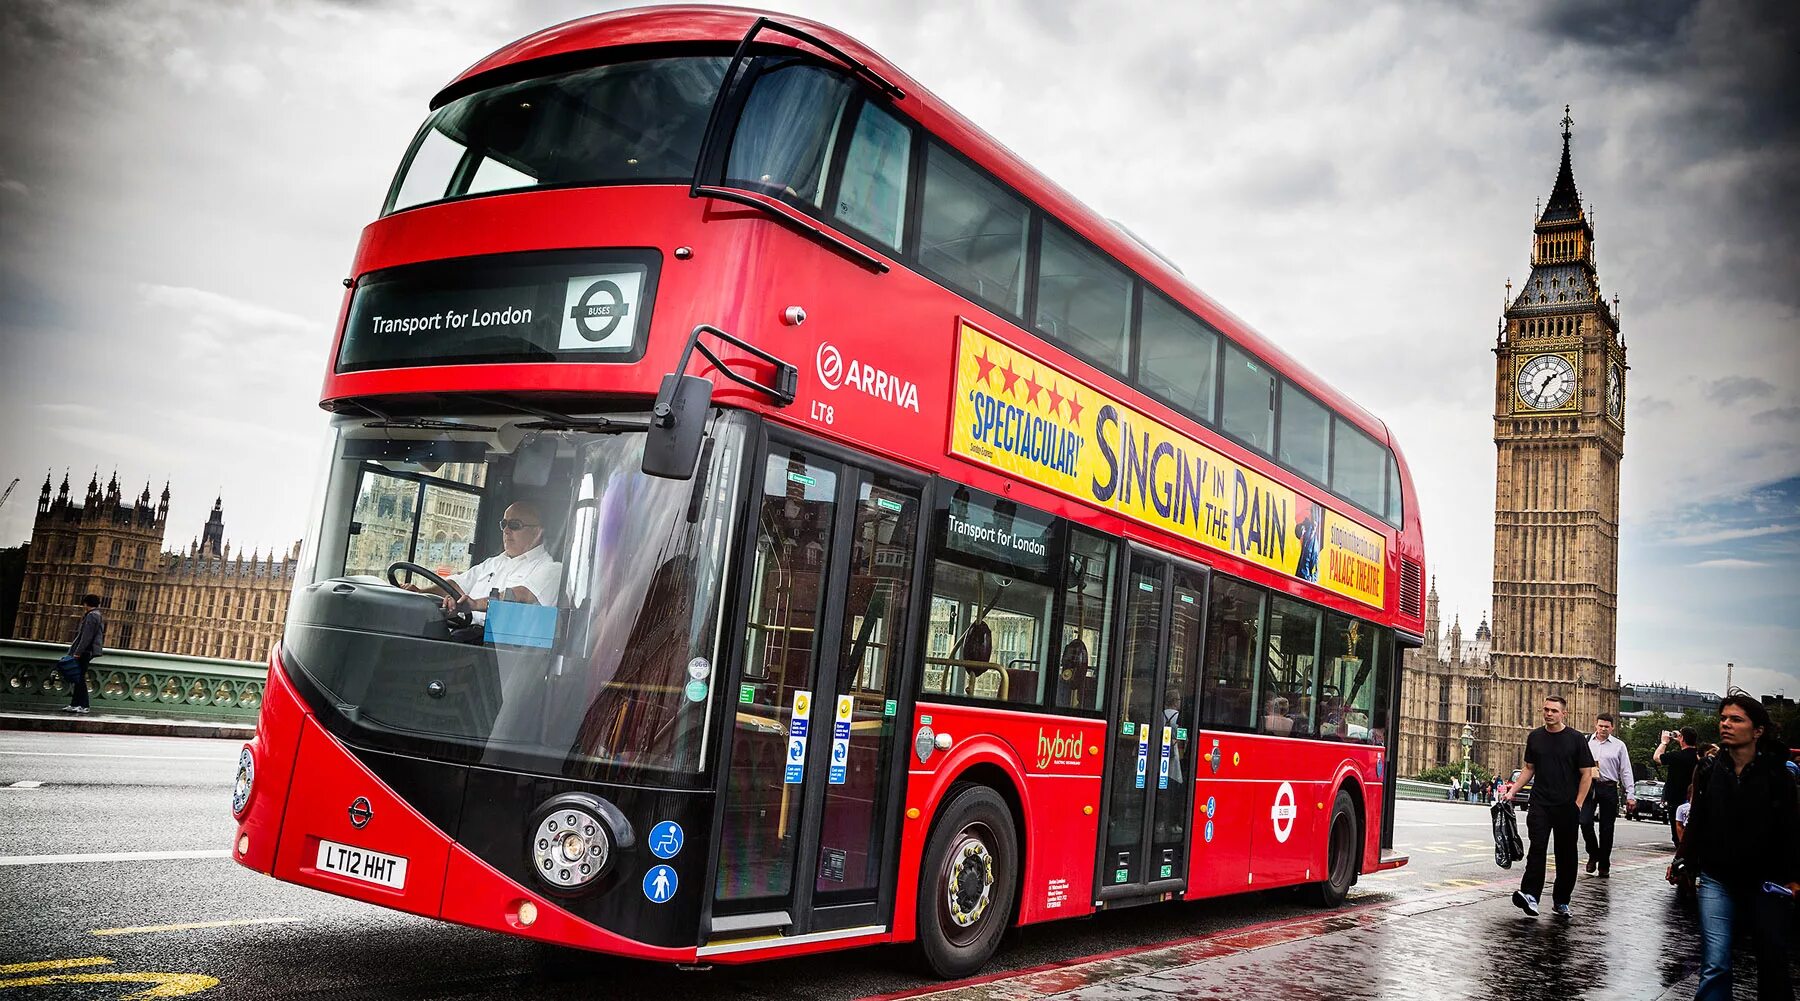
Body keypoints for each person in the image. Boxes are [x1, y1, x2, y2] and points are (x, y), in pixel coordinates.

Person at [1669, 692, 1798, 1001]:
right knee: (1715, 963)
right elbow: (1698, 819)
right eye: (1723, 718)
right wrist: (1682, 860)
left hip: (1765, 882)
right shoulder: (1710, 769)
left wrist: (1793, 876)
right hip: (1717, 878)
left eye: (1736, 719)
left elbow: (1791, 829)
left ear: (1758, 731)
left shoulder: (1778, 774)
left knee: (1772, 962)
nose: (1725, 724)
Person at [1506, 694, 1595, 918]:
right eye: (1546, 709)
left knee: (1566, 855)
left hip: (1567, 805)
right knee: (1537, 849)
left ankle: (1562, 900)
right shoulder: (1535, 737)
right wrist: (1512, 791)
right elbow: (1529, 768)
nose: (1549, 713)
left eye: (1554, 710)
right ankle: (1531, 895)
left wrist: (1578, 804)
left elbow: (1587, 774)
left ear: (1564, 713)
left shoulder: (1576, 739)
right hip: (1540, 803)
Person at [413, 501, 563, 619]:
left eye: (514, 525)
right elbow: (456, 586)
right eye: (504, 524)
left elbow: (522, 596)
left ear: (537, 532)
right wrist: (419, 593)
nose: (506, 530)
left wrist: (476, 604)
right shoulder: (493, 563)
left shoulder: (552, 569)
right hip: (465, 636)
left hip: (501, 651)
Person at [1581, 712, 1635, 877]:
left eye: (1606, 726)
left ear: (1612, 728)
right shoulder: (1586, 742)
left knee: (1606, 828)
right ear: (1595, 725)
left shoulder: (1619, 745)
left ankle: (1604, 863)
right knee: (1584, 821)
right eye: (1600, 726)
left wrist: (1630, 794)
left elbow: (1625, 771)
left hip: (1609, 787)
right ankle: (1593, 853)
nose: (1603, 729)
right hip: (1589, 786)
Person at [1656, 726, 1700, 849]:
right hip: (1694, 798)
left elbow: (1657, 757)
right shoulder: (1698, 756)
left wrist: (1664, 743)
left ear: (1682, 739)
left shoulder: (1676, 756)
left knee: (1678, 831)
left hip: (1676, 799)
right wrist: (1680, 738)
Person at [63, 593, 105, 714]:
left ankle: (84, 705)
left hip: (85, 651)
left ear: (86, 604)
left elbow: (86, 637)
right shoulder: (97, 615)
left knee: (79, 678)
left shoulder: (92, 616)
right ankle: (75, 704)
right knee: (78, 678)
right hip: (87, 651)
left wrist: (77, 652)